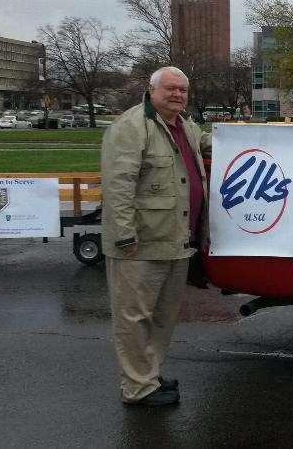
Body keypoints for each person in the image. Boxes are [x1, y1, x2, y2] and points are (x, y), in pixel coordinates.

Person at [101, 66, 211, 406]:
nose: (177, 94)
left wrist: (263, 134)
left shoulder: (185, 127)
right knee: (134, 317)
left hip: (177, 241)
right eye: (170, 89)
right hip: (140, 243)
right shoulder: (131, 127)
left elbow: (214, 140)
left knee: (163, 316)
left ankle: (149, 374)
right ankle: (136, 387)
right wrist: (123, 235)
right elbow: (118, 185)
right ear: (152, 91)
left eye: (183, 90)